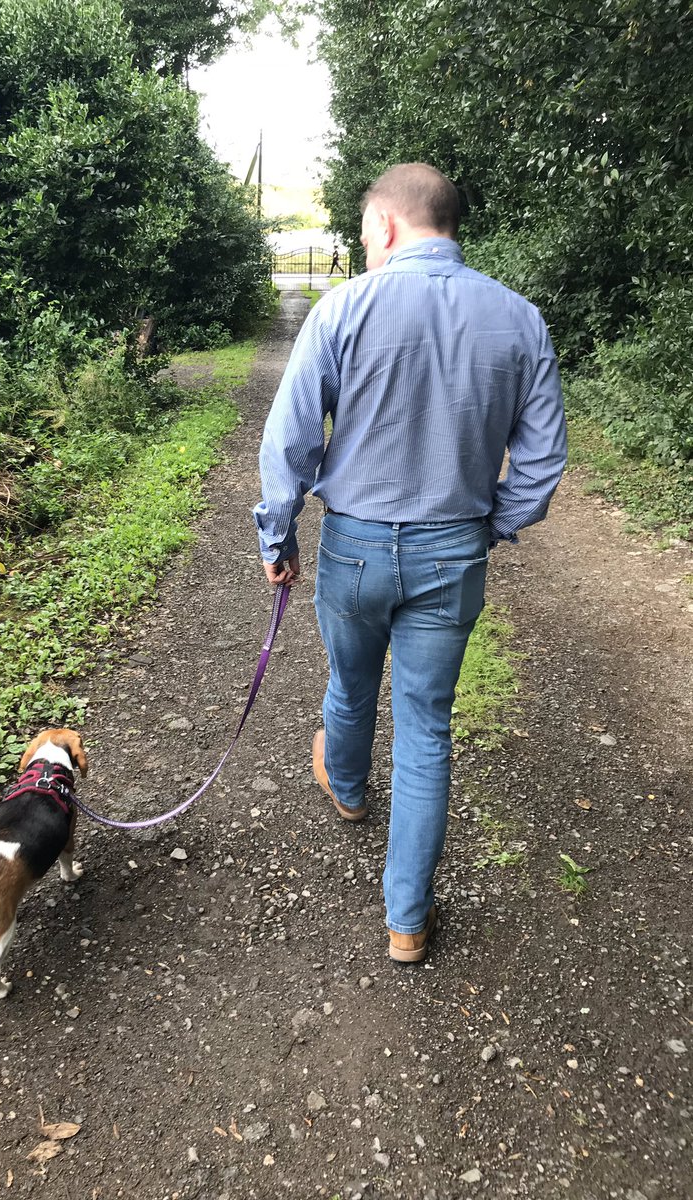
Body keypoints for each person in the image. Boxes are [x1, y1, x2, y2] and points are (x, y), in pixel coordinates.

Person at [253, 163, 567, 963]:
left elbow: (289, 437)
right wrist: (491, 526)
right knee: (426, 728)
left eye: (364, 235)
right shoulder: (520, 320)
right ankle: (406, 922)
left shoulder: (345, 308)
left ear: (387, 227)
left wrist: (277, 536)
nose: (364, 249)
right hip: (453, 550)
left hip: (355, 547)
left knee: (351, 684)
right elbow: (539, 464)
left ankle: (350, 792)